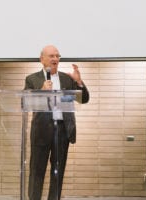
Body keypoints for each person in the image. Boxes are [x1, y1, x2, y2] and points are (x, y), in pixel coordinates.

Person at [24, 45, 89, 200]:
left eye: (57, 56)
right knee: (37, 170)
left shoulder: (67, 79)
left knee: (58, 171)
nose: (55, 59)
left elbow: (84, 99)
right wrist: (41, 91)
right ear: (42, 59)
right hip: (41, 130)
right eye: (51, 56)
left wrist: (79, 82)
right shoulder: (32, 79)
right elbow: (26, 103)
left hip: (62, 130)